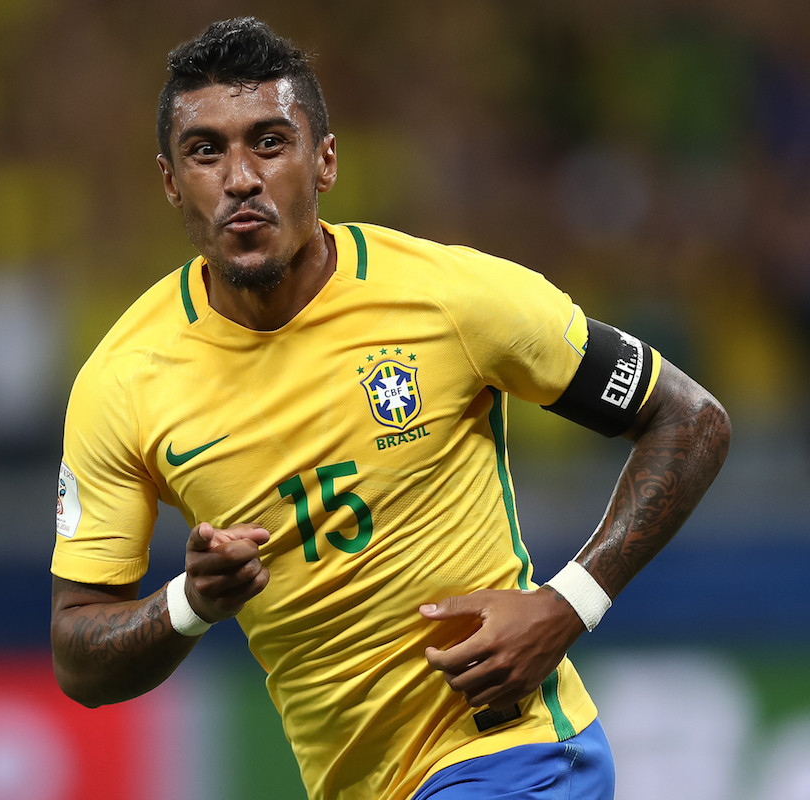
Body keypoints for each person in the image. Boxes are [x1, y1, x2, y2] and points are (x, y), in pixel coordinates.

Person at [50, 16, 731, 800]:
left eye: (270, 143)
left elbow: (690, 418)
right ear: (172, 181)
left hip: (514, 756)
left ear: (325, 160)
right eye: (207, 151)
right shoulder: (124, 382)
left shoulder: (450, 299)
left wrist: (568, 604)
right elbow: (78, 655)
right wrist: (190, 603)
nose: (240, 178)